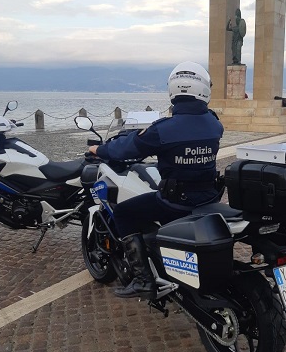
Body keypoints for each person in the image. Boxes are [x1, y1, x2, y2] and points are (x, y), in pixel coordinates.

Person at [88, 61, 224, 300]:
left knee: (124, 213)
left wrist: (98, 150)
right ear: (203, 89)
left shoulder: (163, 129)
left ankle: (143, 280)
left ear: (173, 89)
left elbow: (124, 150)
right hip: (209, 197)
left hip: (176, 203)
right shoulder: (214, 124)